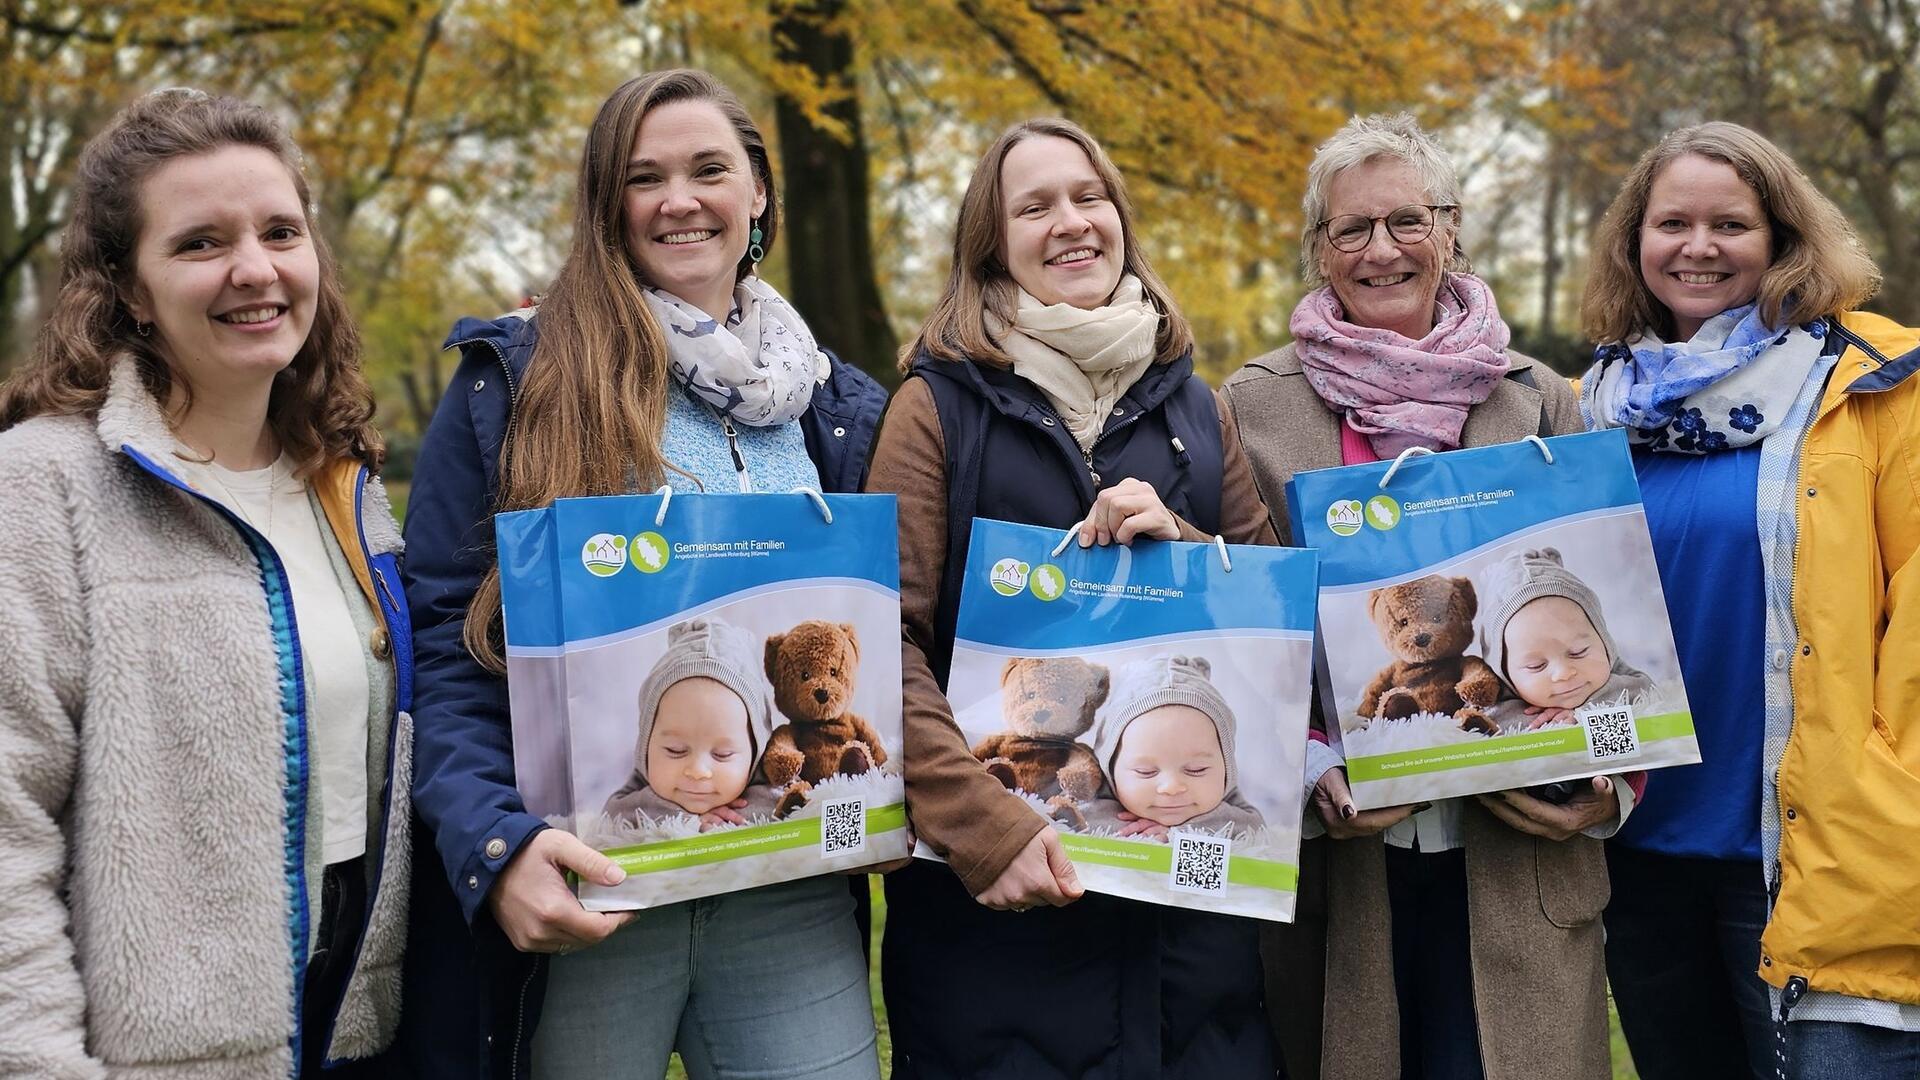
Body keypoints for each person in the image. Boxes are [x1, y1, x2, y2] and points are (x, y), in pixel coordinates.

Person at [395, 69, 888, 1078]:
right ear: (605, 205)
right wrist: (498, 848)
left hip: (785, 896)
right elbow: (445, 648)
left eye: (709, 169)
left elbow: (906, 625)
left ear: (757, 195)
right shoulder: (517, 381)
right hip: (585, 887)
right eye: (643, 177)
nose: (679, 199)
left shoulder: (839, 406)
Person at [1220, 112, 1639, 1080]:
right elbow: (1249, 624)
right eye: (1350, 229)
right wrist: (1315, 761)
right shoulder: (1253, 406)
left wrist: (1613, 778)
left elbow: (1610, 598)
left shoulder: (1541, 399)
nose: (1382, 251)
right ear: (1319, 249)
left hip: (1519, 848)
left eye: (1408, 221)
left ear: (1452, 230)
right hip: (1351, 856)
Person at [0, 89, 410, 1077]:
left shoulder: (345, 484)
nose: (255, 269)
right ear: (130, 289)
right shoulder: (41, 486)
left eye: (281, 231)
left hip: (365, 1034)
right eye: (200, 243)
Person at [868, 116, 1280, 1078]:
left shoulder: (1197, 410)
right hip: (1002, 923)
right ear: (991, 242)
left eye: (1089, 196)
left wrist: (1188, 548)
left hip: (1189, 937)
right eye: (1036, 205)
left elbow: (1271, 621)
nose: (1071, 222)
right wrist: (983, 829)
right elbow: (882, 639)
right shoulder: (935, 409)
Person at [1579, 120, 1920, 1080]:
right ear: (1634, 242)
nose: (1698, 247)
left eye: (1730, 223)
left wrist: (1893, 796)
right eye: (1671, 222)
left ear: (1782, 238)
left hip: (1811, 848)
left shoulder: (1874, 387)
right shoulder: (1592, 409)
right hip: (1634, 845)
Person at [602, 617, 780, 828]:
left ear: (755, 751)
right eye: (675, 750)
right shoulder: (639, 787)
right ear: (646, 744)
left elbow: (786, 806)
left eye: (722, 754)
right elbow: (613, 814)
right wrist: (683, 819)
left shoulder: (771, 783)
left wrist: (732, 817)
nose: (697, 771)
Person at [1082, 655, 1266, 839]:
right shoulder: (1093, 799)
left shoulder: (1233, 807)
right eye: (1145, 771)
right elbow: (1071, 822)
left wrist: (1181, 833)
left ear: (1226, 766)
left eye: (1196, 769)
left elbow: (1254, 828)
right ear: (1110, 768)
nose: (1172, 787)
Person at [1477, 547, 1654, 729]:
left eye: (1579, 652)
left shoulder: (1617, 673)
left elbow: (1645, 689)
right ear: (1504, 672)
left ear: (1603, 639)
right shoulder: (1495, 698)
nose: (1564, 673)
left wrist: (1587, 711)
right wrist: (1544, 721)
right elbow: (1487, 722)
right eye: (1536, 666)